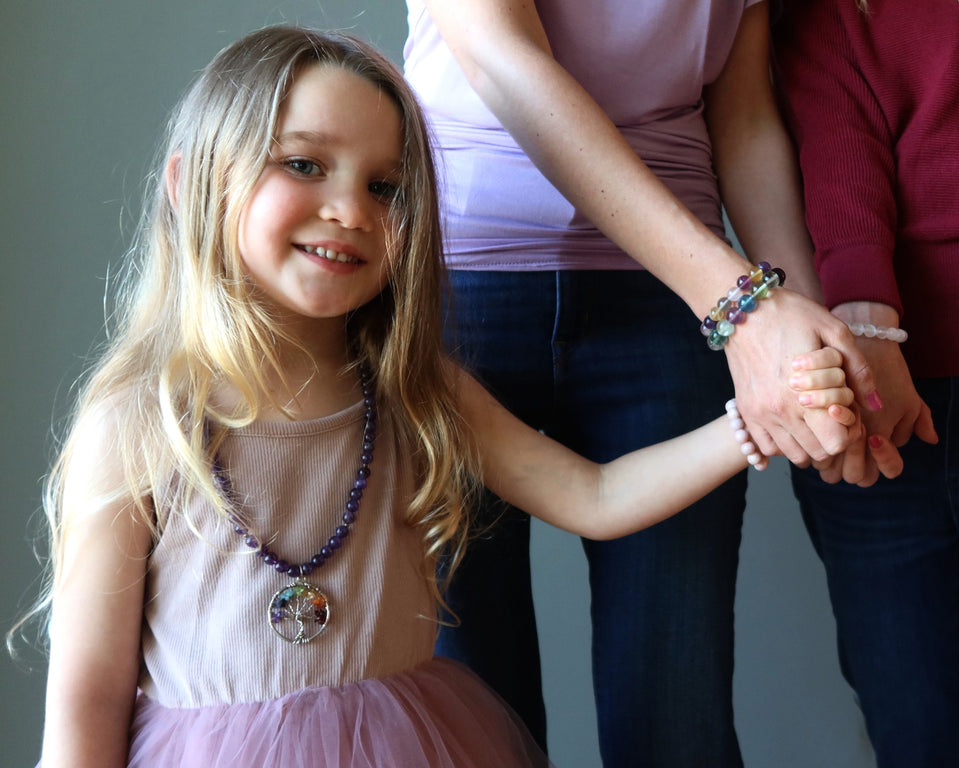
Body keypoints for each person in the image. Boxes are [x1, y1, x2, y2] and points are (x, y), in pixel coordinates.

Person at [24, 25, 890, 768]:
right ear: (193, 183)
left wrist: (754, 423)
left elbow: (593, 494)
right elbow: (87, 697)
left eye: (385, 187)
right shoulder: (139, 420)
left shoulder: (414, 387)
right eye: (304, 164)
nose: (350, 210)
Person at [402, 1, 885, 763]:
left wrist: (807, 353)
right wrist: (744, 306)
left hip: (674, 303)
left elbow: (747, 120)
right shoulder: (731, 299)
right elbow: (505, 62)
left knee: (676, 712)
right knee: (463, 710)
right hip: (459, 290)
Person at [773, 2, 959, 766]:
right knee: (913, 727)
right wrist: (870, 334)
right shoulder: (825, 14)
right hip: (866, 396)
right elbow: (839, 162)